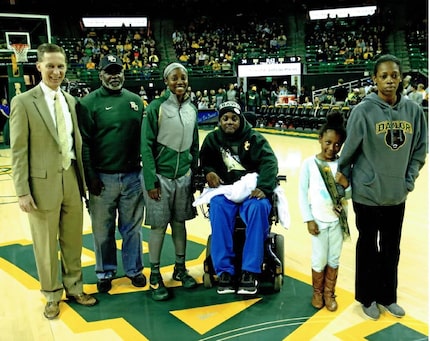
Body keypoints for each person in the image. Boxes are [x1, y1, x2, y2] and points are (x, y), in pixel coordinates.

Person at [9, 43, 97, 319]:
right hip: (41, 185)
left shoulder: (71, 101)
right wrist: (22, 191)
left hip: (71, 178)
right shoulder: (23, 102)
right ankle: (51, 294)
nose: (56, 72)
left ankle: (75, 287)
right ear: (38, 67)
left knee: (72, 240)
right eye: (50, 66)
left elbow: (75, 145)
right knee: (45, 245)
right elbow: (19, 150)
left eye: (60, 66)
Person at [337, 54, 428, 320]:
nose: (390, 80)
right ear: (375, 79)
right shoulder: (362, 111)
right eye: (384, 76)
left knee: (391, 248)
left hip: (396, 195)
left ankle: (388, 297)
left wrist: (408, 180)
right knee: (368, 248)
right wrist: (343, 178)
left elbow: (420, 149)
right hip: (366, 194)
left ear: (401, 78)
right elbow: (349, 151)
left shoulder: (413, 111)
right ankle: (368, 299)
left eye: (394, 75)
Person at [77, 54, 146, 293]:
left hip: (132, 177)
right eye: (109, 72)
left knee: (132, 229)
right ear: (101, 75)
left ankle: (134, 270)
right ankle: (105, 272)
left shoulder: (136, 101)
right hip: (102, 179)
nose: (114, 76)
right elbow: (84, 143)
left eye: (118, 71)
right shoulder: (88, 103)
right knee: (102, 230)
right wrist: (90, 177)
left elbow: (144, 140)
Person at [199, 101, 279, 295]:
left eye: (234, 118)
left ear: (240, 119)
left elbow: (270, 162)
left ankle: (250, 271)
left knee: (258, 208)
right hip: (226, 190)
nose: (229, 122)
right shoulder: (212, 139)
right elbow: (205, 161)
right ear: (219, 121)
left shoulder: (254, 138)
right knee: (217, 206)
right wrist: (208, 172)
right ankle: (224, 271)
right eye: (225, 118)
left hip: (250, 191)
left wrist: (264, 187)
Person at [141, 62, 199, 301]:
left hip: (183, 177)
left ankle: (180, 268)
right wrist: (151, 180)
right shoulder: (156, 107)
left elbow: (194, 145)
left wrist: (193, 174)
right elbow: (145, 145)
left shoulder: (192, 109)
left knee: (179, 224)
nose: (180, 81)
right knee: (158, 227)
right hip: (160, 178)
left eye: (183, 77)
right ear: (166, 81)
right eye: (174, 78)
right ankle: (154, 275)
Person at [298, 111, 351, 312]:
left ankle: (329, 293)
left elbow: (349, 194)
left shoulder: (342, 165)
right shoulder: (309, 164)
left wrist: (346, 185)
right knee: (319, 259)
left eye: (337, 144)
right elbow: (302, 194)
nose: (332, 148)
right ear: (320, 139)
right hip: (318, 220)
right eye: (328, 142)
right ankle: (317, 292)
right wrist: (308, 219)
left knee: (334, 258)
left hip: (338, 221)